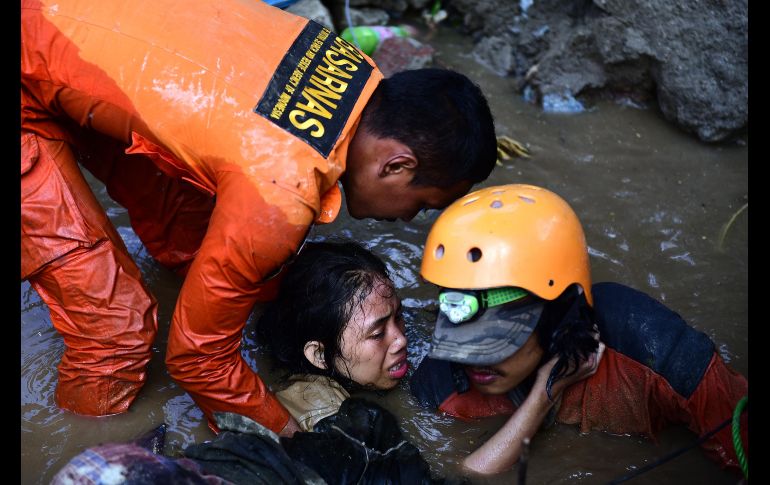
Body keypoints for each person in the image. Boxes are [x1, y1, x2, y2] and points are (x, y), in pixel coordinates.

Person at [21, 0, 497, 436]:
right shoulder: (281, 192)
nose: (411, 218)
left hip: (73, 41)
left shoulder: (355, 71)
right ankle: (86, 445)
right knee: (113, 334)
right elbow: (197, 360)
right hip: (32, 74)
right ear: (395, 165)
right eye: (422, 204)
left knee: (199, 243)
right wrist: (291, 442)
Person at [409, 184, 748, 475]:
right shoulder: (440, 385)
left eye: (496, 340)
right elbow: (464, 477)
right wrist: (544, 395)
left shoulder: (651, 344)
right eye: (463, 336)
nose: (473, 359)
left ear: (560, 317)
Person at [256, 240, 408, 431]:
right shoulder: (322, 419)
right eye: (378, 334)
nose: (401, 340)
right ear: (319, 355)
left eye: (398, 316)